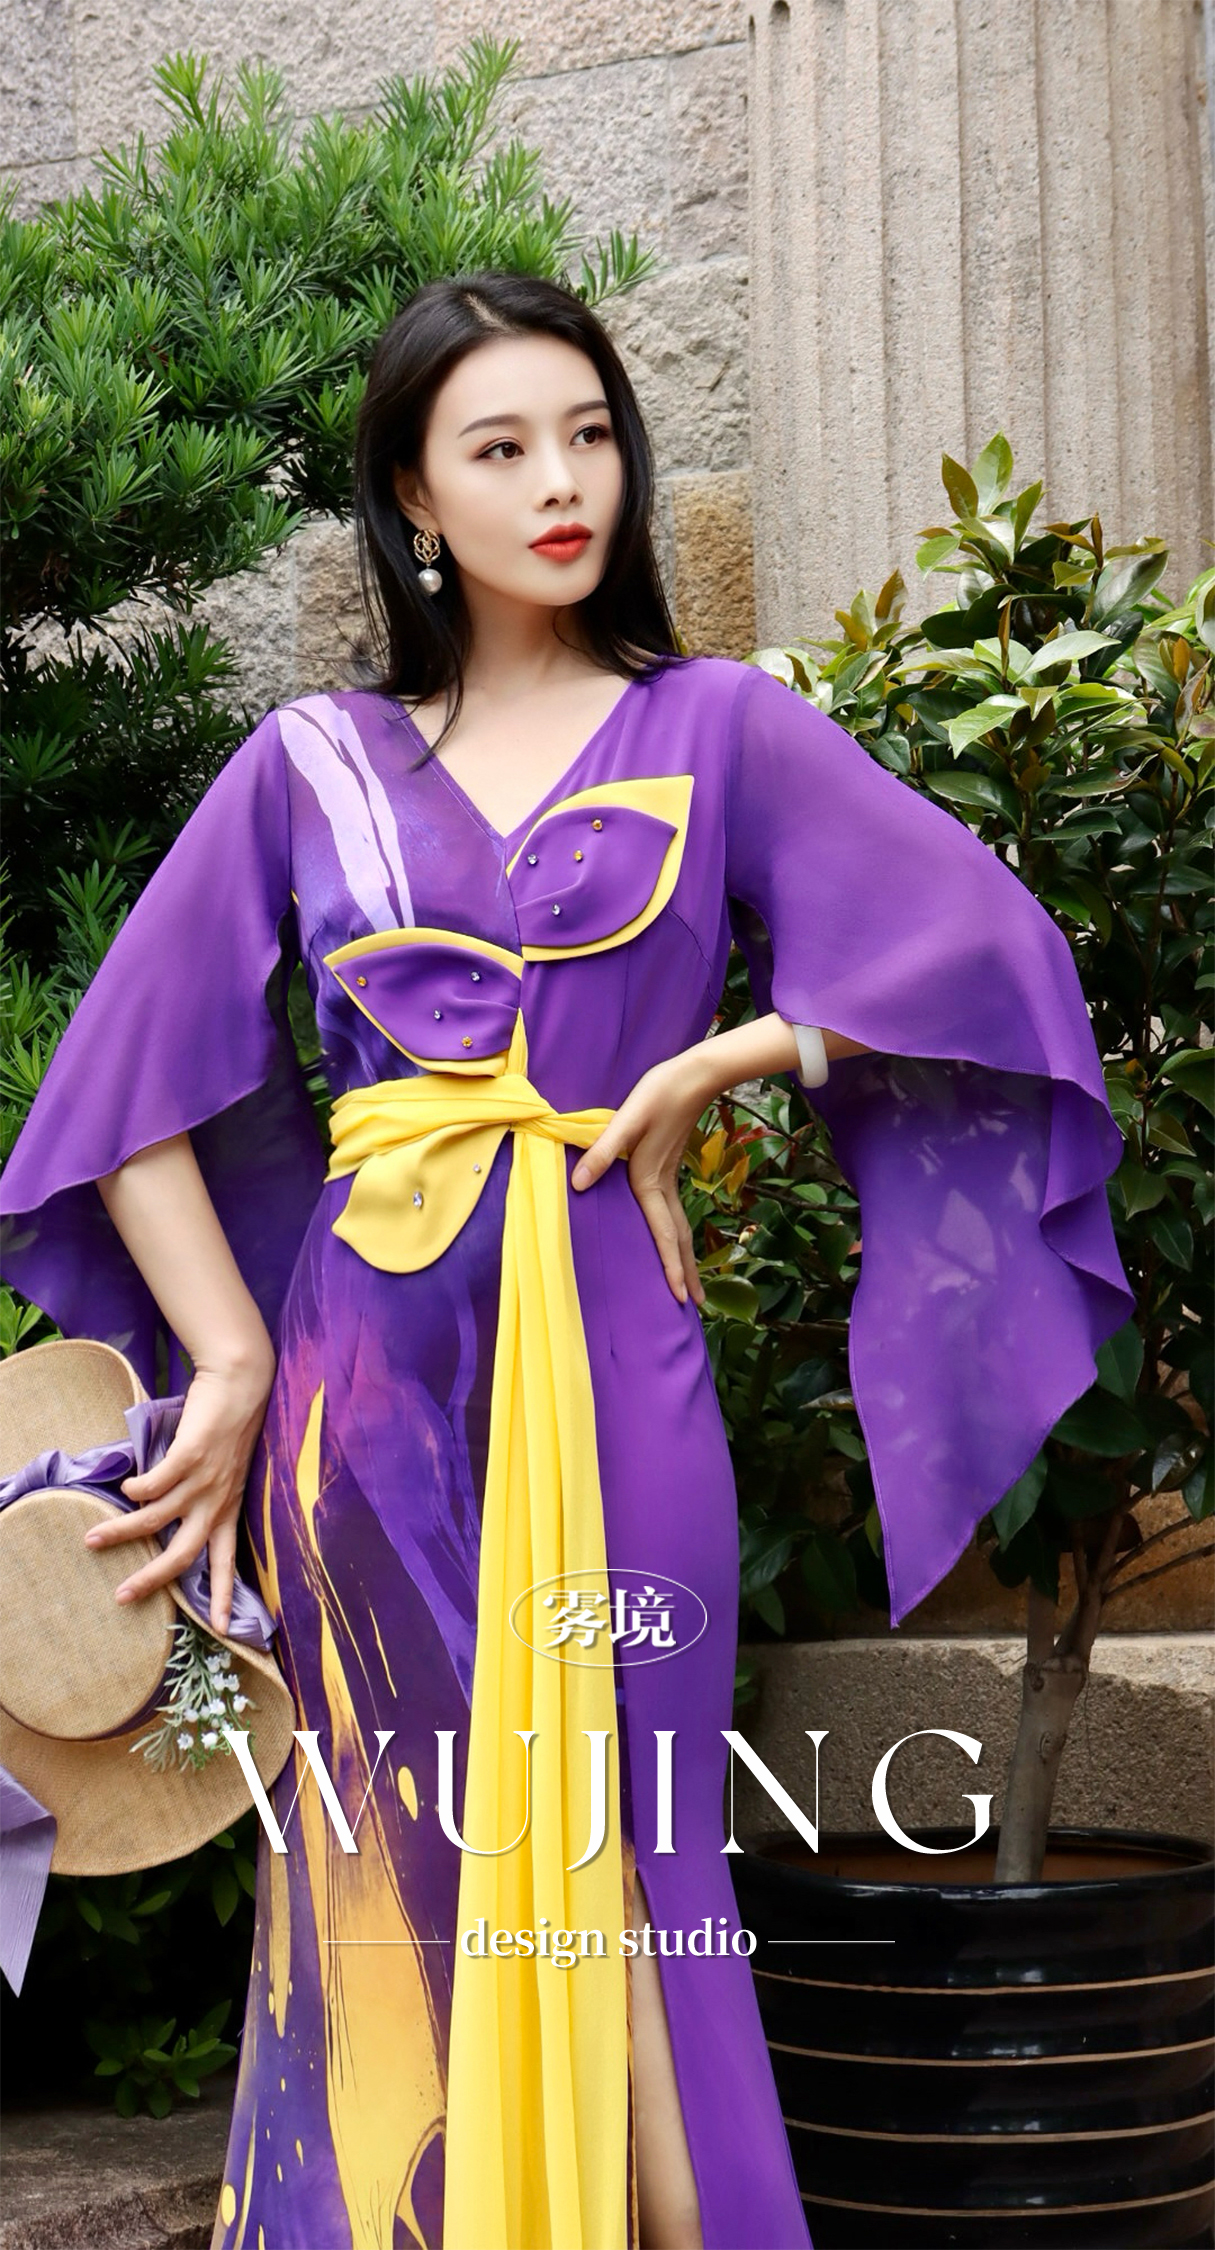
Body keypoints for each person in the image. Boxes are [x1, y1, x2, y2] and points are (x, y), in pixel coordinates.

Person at [0, 269, 1132, 2250]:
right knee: (390, 1889)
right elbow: (120, 1101)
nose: (561, 483)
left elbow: (988, 956)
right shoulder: (311, 764)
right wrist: (233, 1361)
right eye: (502, 447)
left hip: (620, 1356)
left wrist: (722, 1061)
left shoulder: (718, 727)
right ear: (412, 500)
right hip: (362, 1407)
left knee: (637, 1868)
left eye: (590, 434)